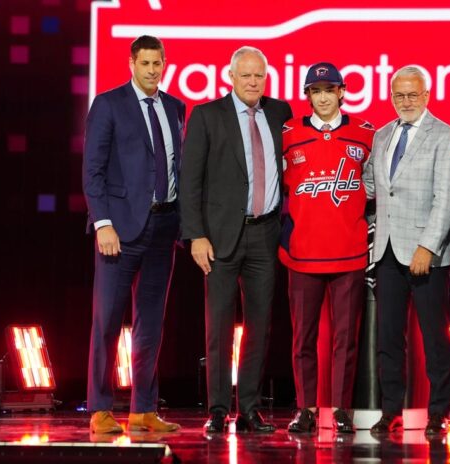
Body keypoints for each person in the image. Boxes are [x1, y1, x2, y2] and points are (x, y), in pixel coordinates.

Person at [179, 46, 293, 434]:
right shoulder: (207, 115)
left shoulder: (280, 113)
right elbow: (190, 181)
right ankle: (217, 408)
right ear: (230, 76)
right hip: (219, 236)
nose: (253, 82)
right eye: (245, 75)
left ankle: (249, 408)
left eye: (259, 75)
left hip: (265, 233)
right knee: (219, 327)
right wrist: (195, 235)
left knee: (260, 326)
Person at [83, 35, 185, 434]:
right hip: (120, 230)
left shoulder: (175, 107)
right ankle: (100, 409)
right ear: (131, 63)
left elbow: (176, 168)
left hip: (164, 227)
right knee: (108, 319)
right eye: (145, 63)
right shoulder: (108, 104)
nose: (152, 70)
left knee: (151, 323)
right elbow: (93, 170)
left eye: (158, 63)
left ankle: (143, 409)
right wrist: (103, 223)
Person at [362, 66, 450, 436]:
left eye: (412, 94)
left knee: (434, 337)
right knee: (388, 338)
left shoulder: (445, 136)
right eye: (399, 95)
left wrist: (428, 246)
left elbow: (447, 199)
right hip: (387, 252)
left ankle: (438, 412)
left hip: (426, 254)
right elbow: (372, 185)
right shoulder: (383, 135)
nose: (405, 101)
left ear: (426, 96)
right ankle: (391, 411)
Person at [280, 62, 375, 434]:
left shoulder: (365, 133)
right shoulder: (289, 133)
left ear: (341, 92)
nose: (322, 98)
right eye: (315, 91)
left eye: (329, 90)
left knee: (345, 340)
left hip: (349, 253)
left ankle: (340, 409)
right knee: (302, 339)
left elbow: (375, 186)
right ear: (308, 96)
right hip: (302, 254)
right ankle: (305, 409)